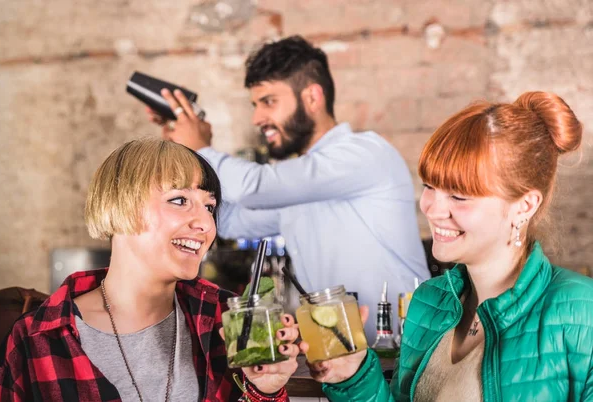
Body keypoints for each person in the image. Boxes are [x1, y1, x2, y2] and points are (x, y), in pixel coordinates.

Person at [301, 91, 593, 401]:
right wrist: (353, 375)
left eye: (458, 196)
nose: (432, 208)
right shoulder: (428, 302)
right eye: (430, 186)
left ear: (524, 206)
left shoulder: (581, 311)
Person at [147, 35, 430, 342]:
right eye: (255, 105)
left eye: (269, 102)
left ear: (312, 97)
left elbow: (252, 188)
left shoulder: (364, 153)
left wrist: (202, 148)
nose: (258, 118)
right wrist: (184, 151)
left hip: (406, 354)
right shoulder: (298, 189)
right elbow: (226, 220)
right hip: (344, 359)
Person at [0, 138, 300, 401]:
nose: (206, 224)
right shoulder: (36, 340)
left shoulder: (225, 319)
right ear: (120, 205)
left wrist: (265, 391)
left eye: (209, 206)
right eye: (179, 200)